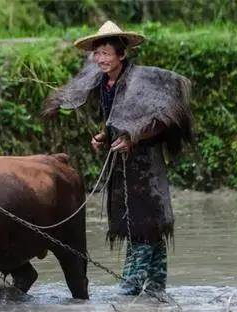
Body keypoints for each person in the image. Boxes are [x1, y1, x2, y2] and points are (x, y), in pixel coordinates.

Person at [43, 20, 194, 296]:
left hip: (146, 165)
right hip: (121, 165)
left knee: (146, 223)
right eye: (96, 53)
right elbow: (117, 117)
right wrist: (105, 135)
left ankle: (131, 287)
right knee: (138, 223)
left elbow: (162, 118)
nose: (99, 59)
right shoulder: (105, 83)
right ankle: (155, 290)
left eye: (105, 53)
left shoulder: (142, 81)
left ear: (121, 55)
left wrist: (133, 137)